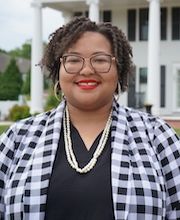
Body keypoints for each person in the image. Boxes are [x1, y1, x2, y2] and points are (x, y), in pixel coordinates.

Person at [0, 16, 180, 220]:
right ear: (57, 71)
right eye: (73, 60)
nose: (86, 70)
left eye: (100, 60)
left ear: (119, 70)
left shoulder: (157, 137)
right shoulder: (18, 139)